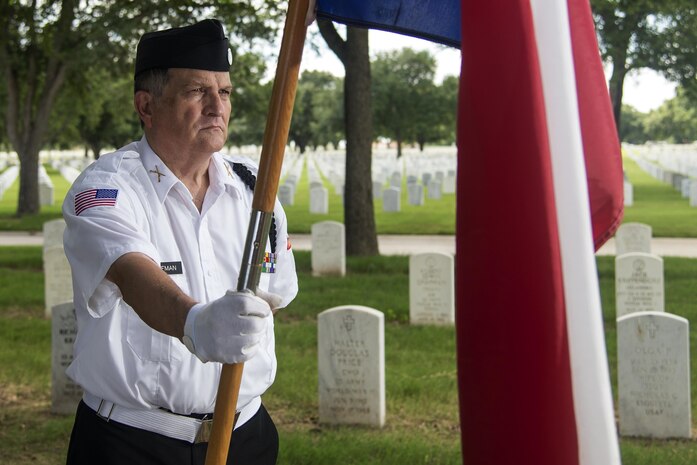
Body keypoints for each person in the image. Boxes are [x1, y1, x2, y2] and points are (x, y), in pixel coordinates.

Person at [62, 19, 298, 465]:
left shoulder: (255, 190)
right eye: (196, 92)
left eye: (224, 92)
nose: (217, 107)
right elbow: (134, 275)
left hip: (245, 435)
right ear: (147, 106)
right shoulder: (106, 189)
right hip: (133, 443)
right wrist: (197, 322)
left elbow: (275, 293)